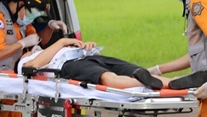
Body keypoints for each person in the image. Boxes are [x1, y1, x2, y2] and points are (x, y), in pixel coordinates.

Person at [18, 37, 163, 90]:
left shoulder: (41, 50)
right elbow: (32, 66)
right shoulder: (24, 61)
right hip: (68, 65)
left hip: (86, 56)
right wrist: (63, 41)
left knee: (136, 70)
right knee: (107, 77)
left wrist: (84, 46)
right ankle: (145, 83)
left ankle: (174, 82)